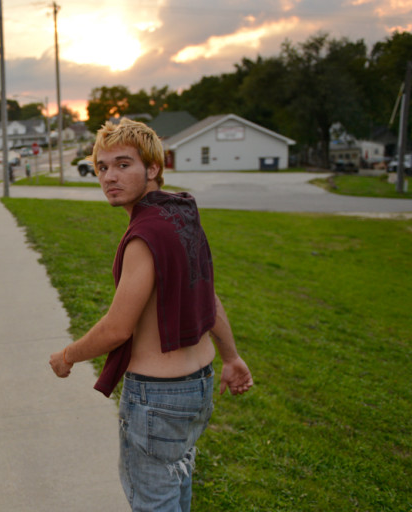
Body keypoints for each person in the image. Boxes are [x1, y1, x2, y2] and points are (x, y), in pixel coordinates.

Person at [49, 118, 253, 512]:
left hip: (158, 397)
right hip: (199, 386)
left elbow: (116, 329)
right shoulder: (181, 216)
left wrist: (67, 356)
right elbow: (206, 293)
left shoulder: (144, 237)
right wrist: (230, 356)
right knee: (176, 487)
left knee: (154, 502)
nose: (110, 177)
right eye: (102, 167)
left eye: (124, 165)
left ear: (153, 168)